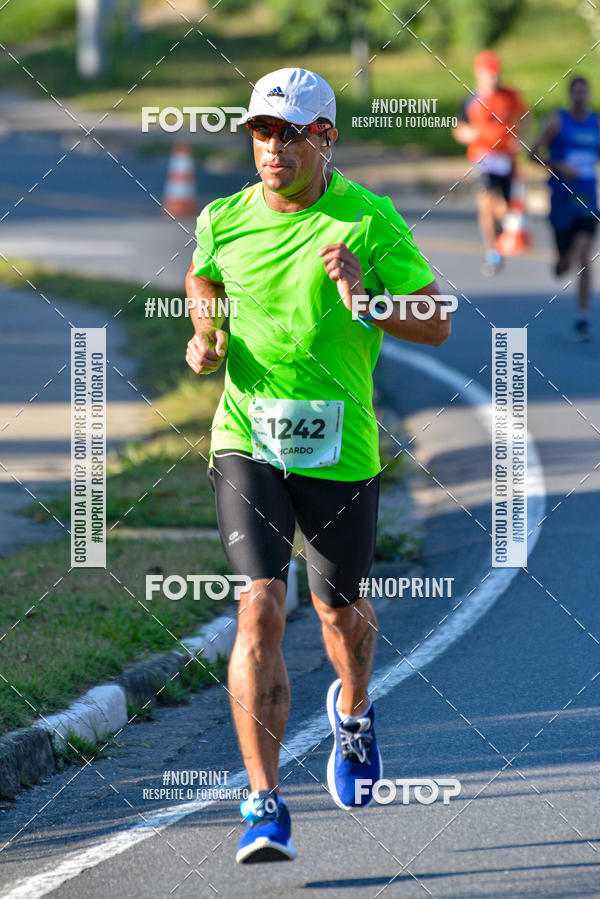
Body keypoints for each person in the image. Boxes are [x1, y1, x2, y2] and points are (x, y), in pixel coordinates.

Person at [184, 67, 451, 864]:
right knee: (261, 603)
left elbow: (436, 321)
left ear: (325, 138)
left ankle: (357, 710)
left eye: (289, 133)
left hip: (342, 449)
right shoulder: (223, 218)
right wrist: (206, 332)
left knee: (339, 613)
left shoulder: (368, 220)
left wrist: (369, 303)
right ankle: (264, 802)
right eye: (260, 133)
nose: (272, 148)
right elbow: (205, 275)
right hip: (248, 440)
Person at [530, 75, 599, 341]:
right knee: (563, 265)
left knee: (585, 254)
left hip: (587, 200)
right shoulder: (557, 122)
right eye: (577, 92)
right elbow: (532, 153)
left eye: (585, 91)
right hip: (561, 199)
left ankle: (582, 318)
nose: (581, 96)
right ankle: (562, 257)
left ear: (589, 94)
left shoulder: (596, 125)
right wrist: (559, 166)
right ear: (571, 95)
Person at [453, 50, 528, 275]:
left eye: (496, 75)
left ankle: (499, 227)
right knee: (485, 202)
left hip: (505, 159)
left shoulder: (510, 96)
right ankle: (492, 252)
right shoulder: (472, 99)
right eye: (489, 75)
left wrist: (521, 137)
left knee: (502, 209)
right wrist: (470, 135)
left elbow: (525, 116)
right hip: (483, 157)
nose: (494, 80)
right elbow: (459, 128)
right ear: (480, 75)